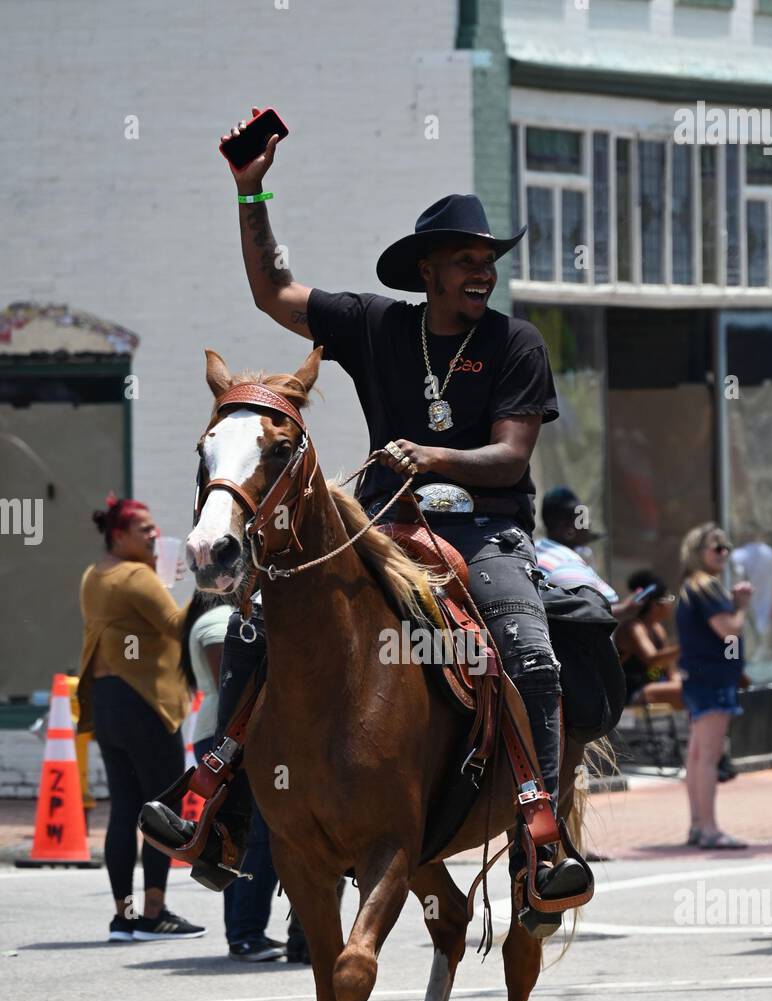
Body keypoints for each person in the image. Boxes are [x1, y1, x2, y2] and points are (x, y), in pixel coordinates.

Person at [140, 108, 591, 937]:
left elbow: (512, 459)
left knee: (531, 653)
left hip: (484, 531)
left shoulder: (517, 343)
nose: (481, 273)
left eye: (488, 260)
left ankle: (540, 842)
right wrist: (251, 193)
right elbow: (273, 290)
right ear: (428, 269)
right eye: (465, 260)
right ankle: (222, 811)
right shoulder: (377, 324)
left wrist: (435, 455)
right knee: (249, 632)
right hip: (379, 526)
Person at [78, 495, 206, 942]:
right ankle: (154, 914)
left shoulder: (95, 575)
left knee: (124, 811)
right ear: (119, 536)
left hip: (108, 702)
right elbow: (176, 624)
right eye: (144, 530)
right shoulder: (135, 576)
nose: (154, 535)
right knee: (162, 809)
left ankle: (123, 916)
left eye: (154, 529)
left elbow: (139, 621)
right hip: (146, 705)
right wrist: (208, 584)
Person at [181, 593, 284, 961]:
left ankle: (243, 933)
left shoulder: (228, 614)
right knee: (256, 836)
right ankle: (245, 934)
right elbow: (230, 681)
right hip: (227, 736)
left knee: (241, 834)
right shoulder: (221, 618)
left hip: (227, 734)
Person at [676, 522, 752, 850]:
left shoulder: (692, 587)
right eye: (715, 547)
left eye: (726, 547)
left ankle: (698, 824)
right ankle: (709, 828)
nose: (723, 553)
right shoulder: (706, 587)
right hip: (713, 680)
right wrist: (742, 606)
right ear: (698, 553)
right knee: (708, 755)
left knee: (697, 754)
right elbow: (730, 631)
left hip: (700, 678)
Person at [535, 486, 641, 623]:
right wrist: (626, 609)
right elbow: (587, 613)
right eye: (582, 520)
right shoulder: (566, 563)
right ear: (567, 529)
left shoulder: (537, 547)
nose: (588, 524)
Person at [614, 569, 681, 706]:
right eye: (668, 598)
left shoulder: (658, 629)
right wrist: (687, 646)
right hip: (631, 695)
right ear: (656, 604)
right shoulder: (633, 628)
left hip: (651, 689)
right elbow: (652, 659)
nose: (671, 604)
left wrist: (678, 682)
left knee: (694, 687)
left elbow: (669, 669)